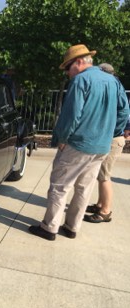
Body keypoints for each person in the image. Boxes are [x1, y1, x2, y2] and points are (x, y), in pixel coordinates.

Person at [29, 44, 130, 241]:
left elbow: (71, 116)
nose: (67, 73)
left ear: (79, 62)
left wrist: (62, 139)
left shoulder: (80, 80)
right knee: (85, 187)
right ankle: (71, 227)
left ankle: (49, 228)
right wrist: (111, 132)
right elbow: (124, 112)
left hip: (78, 143)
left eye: (67, 67)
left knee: (60, 186)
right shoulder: (113, 81)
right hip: (102, 145)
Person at [84, 63, 130, 223]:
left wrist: (112, 130)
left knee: (104, 176)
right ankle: (100, 204)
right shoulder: (115, 85)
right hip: (113, 137)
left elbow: (124, 112)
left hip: (113, 139)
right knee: (100, 174)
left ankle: (105, 211)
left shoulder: (114, 86)